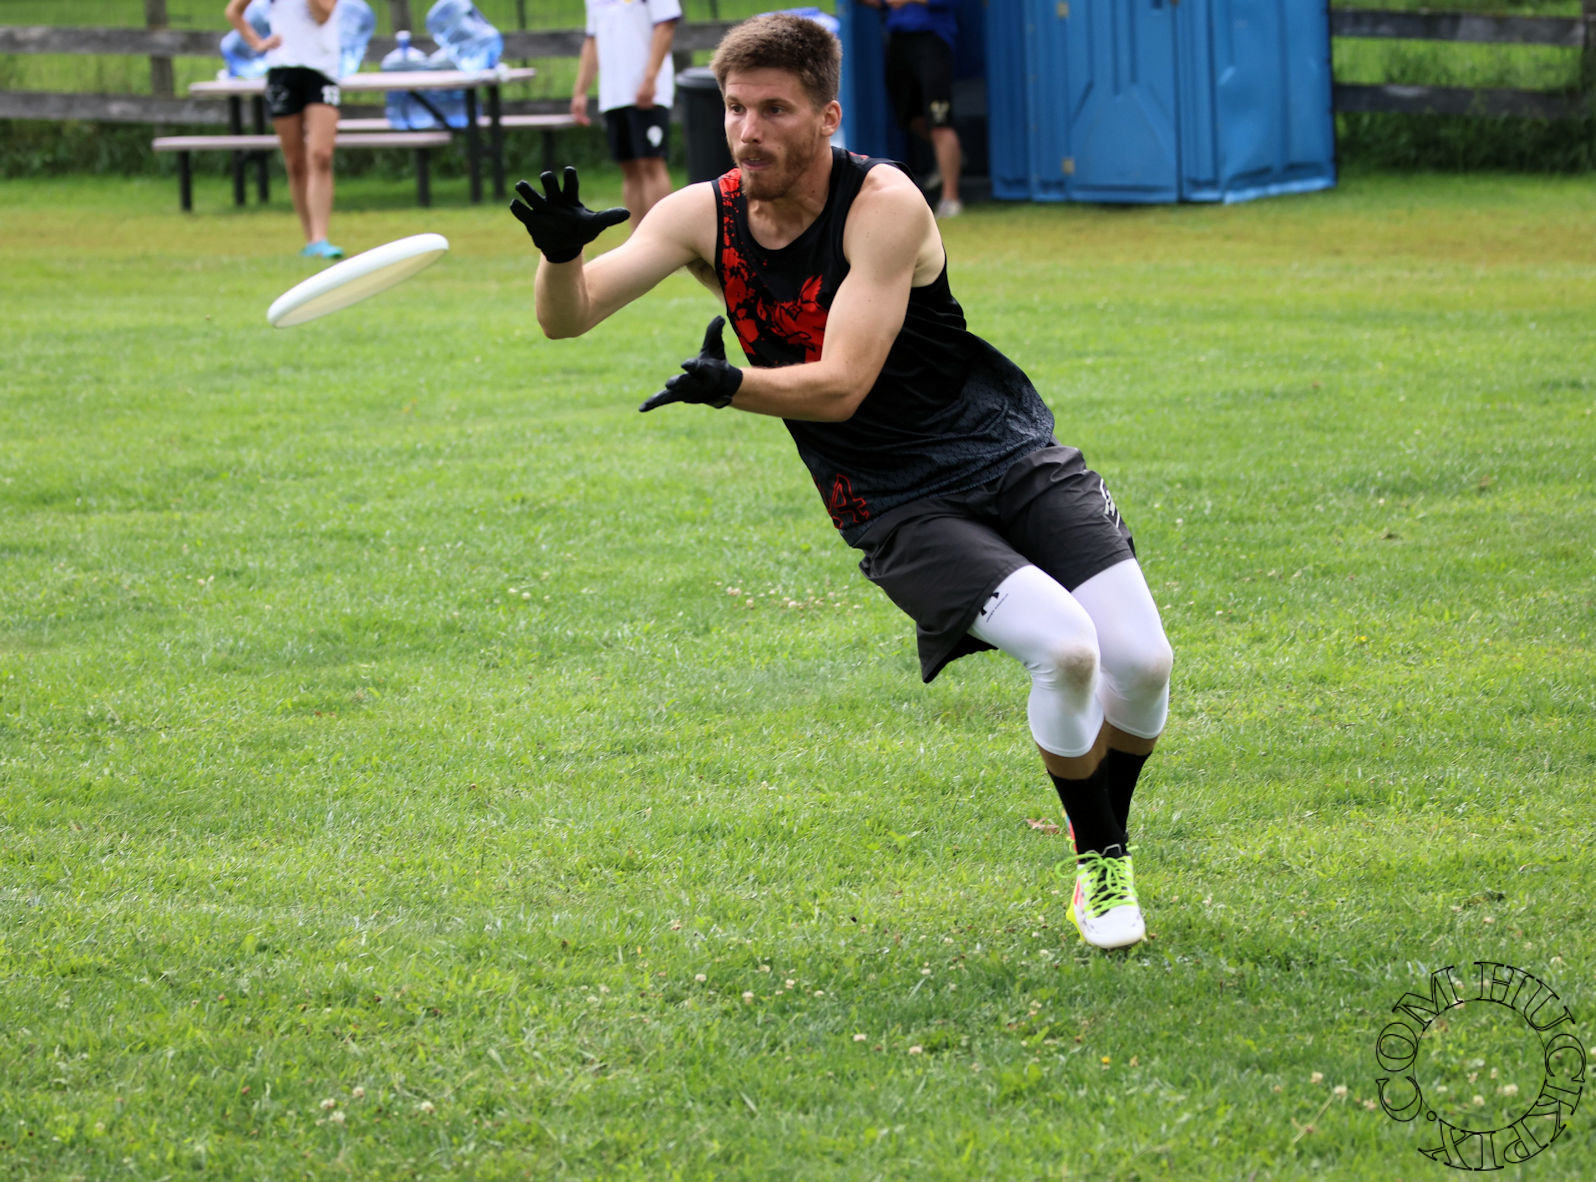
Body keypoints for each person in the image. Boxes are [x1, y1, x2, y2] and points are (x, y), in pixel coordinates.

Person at [509, 14, 1172, 951]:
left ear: (828, 116)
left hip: (1007, 450)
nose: (748, 132)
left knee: (1142, 663)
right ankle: (1102, 865)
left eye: (775, 110)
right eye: (736, 109)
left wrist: (731, 387)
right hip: (893, 496)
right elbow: (567, 319)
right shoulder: (701, 215)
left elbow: (842, 383)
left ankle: (1101, 833)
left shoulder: (884, 204)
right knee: (1065, 651)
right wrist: (559, 256)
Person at [224, 0, 344, 259]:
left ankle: (321, 237)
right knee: (295, 161)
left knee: (321, 155)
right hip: (282, 71)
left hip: (322, 70)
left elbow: (323, 14)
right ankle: (311, 240)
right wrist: (258, 43)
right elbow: (234, 11)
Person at [571, 0, 681, 228]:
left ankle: (663, 236)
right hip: (614, 95)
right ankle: (637, 240)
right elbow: (592, 40)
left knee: (651, 162)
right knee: (629, 166)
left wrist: (650, 78)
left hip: (648, 90)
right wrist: (580, 91)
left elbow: (665, 27)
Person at [859, 0, 963, 219]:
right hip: (899, 42)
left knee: (940, 123)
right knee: (912, 119)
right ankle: (951, 157)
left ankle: (951, 198)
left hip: (933, 40)